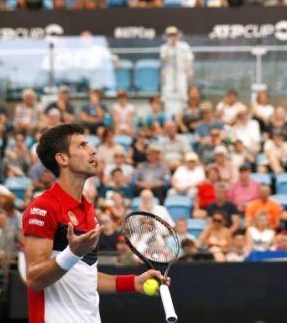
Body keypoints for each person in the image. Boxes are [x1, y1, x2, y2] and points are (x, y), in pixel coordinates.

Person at [22, 124, 169, 322]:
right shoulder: (43, 207)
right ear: (62, 158)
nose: (93, 150)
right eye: (82, 146)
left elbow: (85, 276)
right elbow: (34, 279)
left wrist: (133, 283)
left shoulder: (88, 209)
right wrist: (72, 253)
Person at [160, 26, 194, 118]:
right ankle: (168, 115)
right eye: (170, 35)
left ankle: (183, 113)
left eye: (174, 35)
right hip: (169, 73)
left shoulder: (184, 46)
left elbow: (190, 58)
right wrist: (170, 46)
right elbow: (164, 58)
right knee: (168, 93)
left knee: (182, 92)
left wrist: (189, 71)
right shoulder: (164, 47)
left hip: (181, 72)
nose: (172, 37)